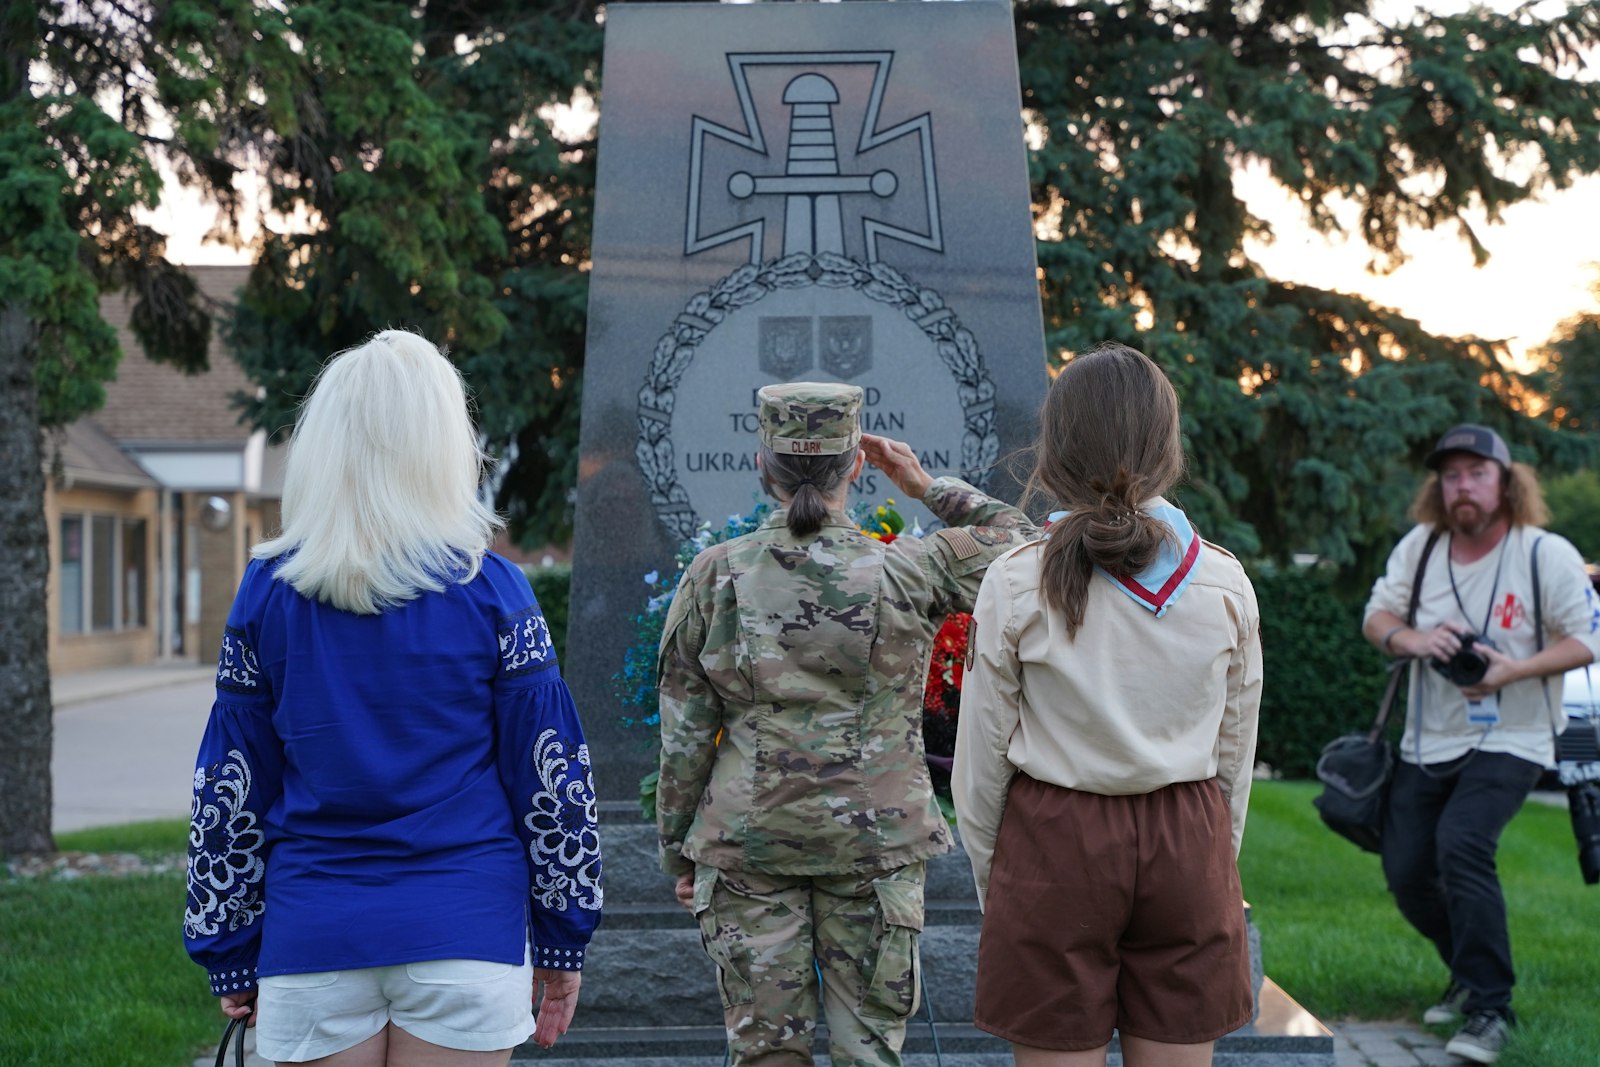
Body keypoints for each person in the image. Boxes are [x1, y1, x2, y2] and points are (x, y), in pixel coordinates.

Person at [183, 330, 602, 1066]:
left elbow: (231, 781)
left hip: (314, 931)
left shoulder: (267, 592)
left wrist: (230, 946)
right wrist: (564, 938)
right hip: (465, 929)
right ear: (443, 442)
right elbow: (552, 776)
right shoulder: (496, 589)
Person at [655, 382, 1038, 1067]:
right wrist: (925, 485)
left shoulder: (713, 575)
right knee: (868, 1053)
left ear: (761, 465)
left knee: (768, 1055)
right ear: (856, 467)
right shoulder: (910, 568)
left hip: (747, 848)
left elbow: (684, 737)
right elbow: (1023, 541)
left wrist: (677, 852)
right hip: (876, 846)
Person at [953, 341, 1263, 1067]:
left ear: (1055, 448)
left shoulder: (1015, 578)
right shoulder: (1224, 581)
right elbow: (1234, 751)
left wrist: (1000, 884)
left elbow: (982, 762)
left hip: (1055, 839)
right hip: (1187, 834)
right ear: (1167, 445)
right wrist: (1215, 860)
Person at [1361, 423, 1599, 1064]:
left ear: (1507, 481)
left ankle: (1491, 1008)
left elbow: (1587, 639)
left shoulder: (1543, 552)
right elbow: (1377, 617)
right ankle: (1467, 970)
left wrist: (1510, 669)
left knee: (1462, 844)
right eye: (1450, 475)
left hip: (1515, 735)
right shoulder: (1422, 547)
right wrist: (1417, 640)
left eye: (1476, 473)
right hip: (1426, 738)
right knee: (1407, 872)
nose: (1462, 486)